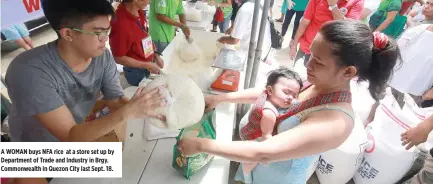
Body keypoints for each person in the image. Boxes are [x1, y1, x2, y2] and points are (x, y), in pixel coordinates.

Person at [178, 20, 401, 184]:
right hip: (256, 165)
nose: (307, 66)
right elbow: (272, 92)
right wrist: (221, 98)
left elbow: (264, 152)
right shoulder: (313, 82)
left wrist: (201, 145)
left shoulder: (337, 120)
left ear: (348, 71)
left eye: (318, 61)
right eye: (310, 55)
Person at [5, 0, 166, 144]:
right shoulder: (30, 71)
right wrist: (128, 112)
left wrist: (148, 108)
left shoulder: (102, 56)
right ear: (68, 33)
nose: (105, 39)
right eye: (98, 33)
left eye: (107, 31)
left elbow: (114, 99)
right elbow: (69, 136)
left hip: (80, 134)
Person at [240, 67, 303, 179]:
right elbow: (266, 136)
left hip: (249, 128)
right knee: (250, 162)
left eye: (294, 95)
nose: (290, 98)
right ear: (270, 90)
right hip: (256, 138)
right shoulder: (269, 113)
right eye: (286, 92)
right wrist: (266, 156)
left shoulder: (265, 96)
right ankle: (246, 176)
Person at [289, 0, 364, 65]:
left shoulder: (357, 2)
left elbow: (347, 31)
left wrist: (333, 6)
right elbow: (305, 22)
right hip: (305, 48)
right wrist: (295, 44)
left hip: (326, 58)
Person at [109, 0, 165, 86]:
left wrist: (155, 55)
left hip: (145, 65)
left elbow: (144, 35)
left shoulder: (138, 12)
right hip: (135, 72)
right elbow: (119, 58)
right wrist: (147, 65)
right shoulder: (120, 23)